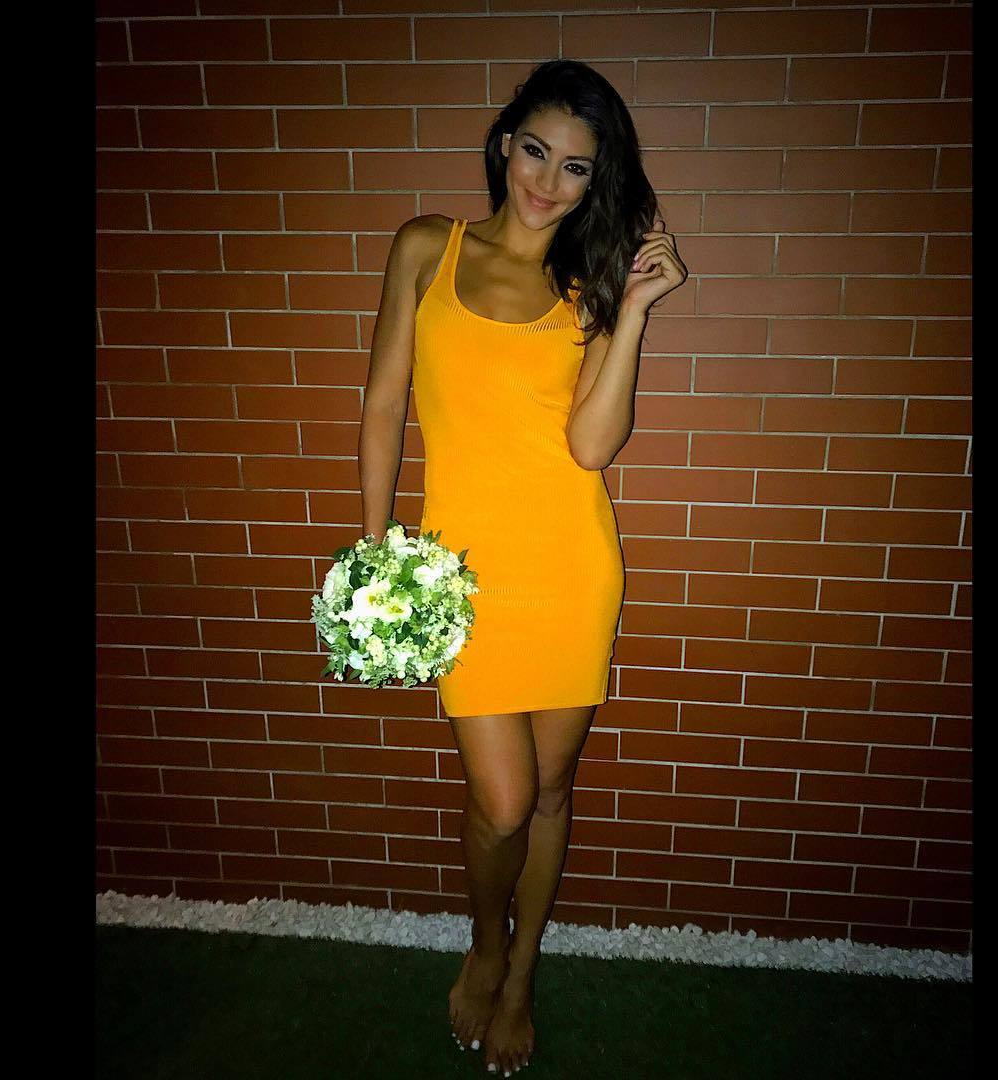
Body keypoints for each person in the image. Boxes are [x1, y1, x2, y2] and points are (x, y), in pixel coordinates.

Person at [358, 59, 687, 1076]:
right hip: (458, 576)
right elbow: (383, 406)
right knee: (501, 802)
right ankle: (485, 941)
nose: (548, 181)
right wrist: (375, 552)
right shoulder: (426, 247)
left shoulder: (589, 286)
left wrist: (635, 311)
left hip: (569, 569)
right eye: (536, 151)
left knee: (548, 793)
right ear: (505, 144)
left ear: (596, 182)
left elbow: (592, 447)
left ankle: (522, 970)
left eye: (576, 167)